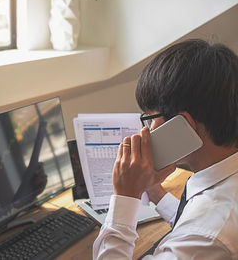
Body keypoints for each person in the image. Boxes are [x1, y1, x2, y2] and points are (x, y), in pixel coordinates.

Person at [93, 39, 238, 259]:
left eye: (150, 119)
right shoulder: (222, 181)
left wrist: (126, 195)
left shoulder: (207, 238)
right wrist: (156, 194)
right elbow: (191, 223)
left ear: (184, 125)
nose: (149, 130)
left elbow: (198, 234)